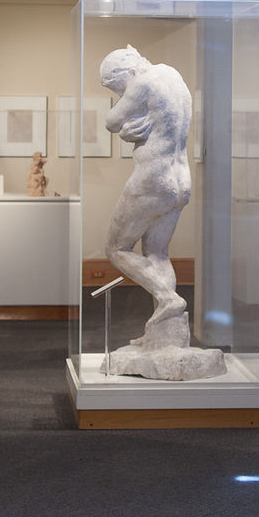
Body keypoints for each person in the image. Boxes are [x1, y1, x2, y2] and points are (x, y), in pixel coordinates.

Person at [99, 45, 192, 341]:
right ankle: (167, 336)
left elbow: (111, 121)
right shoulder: (174, 76)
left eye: (116, 88)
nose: (119, 94)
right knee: (157, 252)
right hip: (181, 178)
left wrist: (125, 129)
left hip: (153, 178)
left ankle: (168, 298)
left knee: (116, 248)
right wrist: (135, 129)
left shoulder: (142, 81)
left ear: (124, 73)